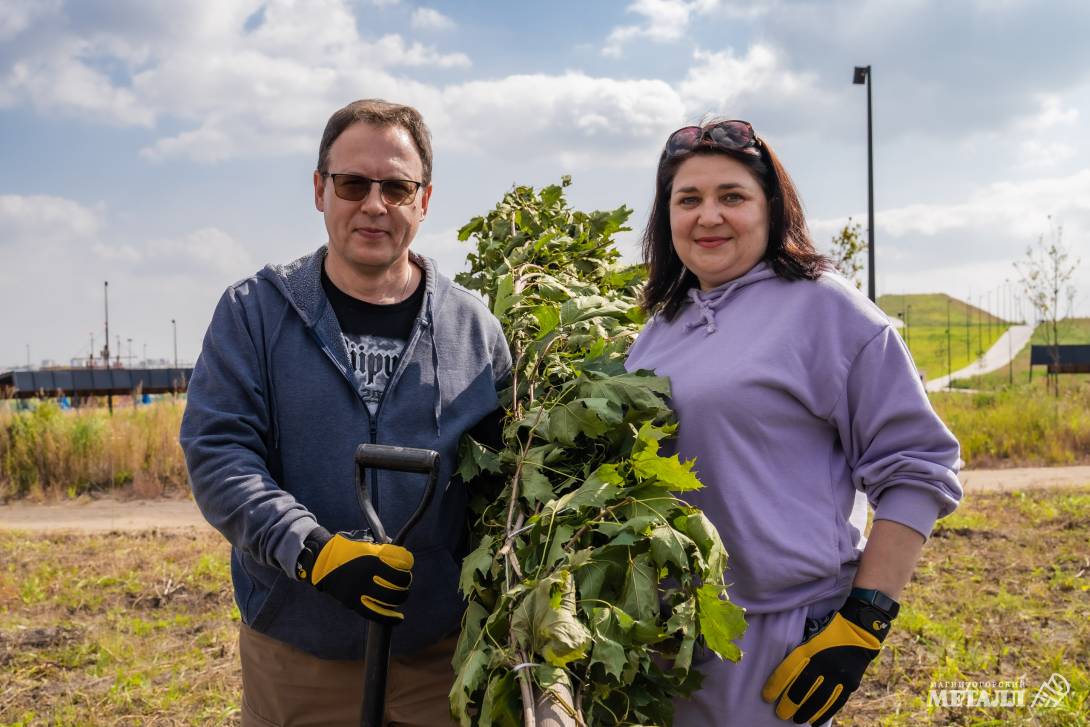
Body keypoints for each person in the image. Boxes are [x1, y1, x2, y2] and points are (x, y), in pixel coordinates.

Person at [180, 99, 511, 727]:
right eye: (353, 183)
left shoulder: (474, 328)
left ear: (425, 199)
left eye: (396, 186)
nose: (374, 204)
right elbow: (220, 455)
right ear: (319, 190)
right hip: (299, 654)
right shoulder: (254, 313)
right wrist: (315, 553)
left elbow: (501, 479)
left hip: (434, 658)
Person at [625, 119, 962, 726]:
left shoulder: (826, 310)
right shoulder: (659, 329)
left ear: (772, 208)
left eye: (732, 196)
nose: (709, 217)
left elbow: (918, 468)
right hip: (669, 639)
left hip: (777, 638)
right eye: (688, 199)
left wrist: (864, 621)